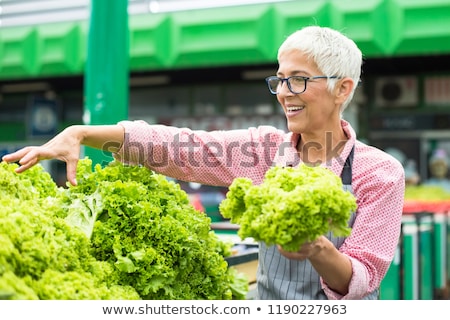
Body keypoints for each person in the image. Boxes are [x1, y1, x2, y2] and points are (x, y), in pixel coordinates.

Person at [2, 25, 405, 300]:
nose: (284, 92)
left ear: (343, 89)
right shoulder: (264, 149)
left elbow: (364, 277)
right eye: (279, 80)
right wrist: (82, 134)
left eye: (297, 80)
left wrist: (317, 248)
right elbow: (179, 146)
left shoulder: (380, 173)